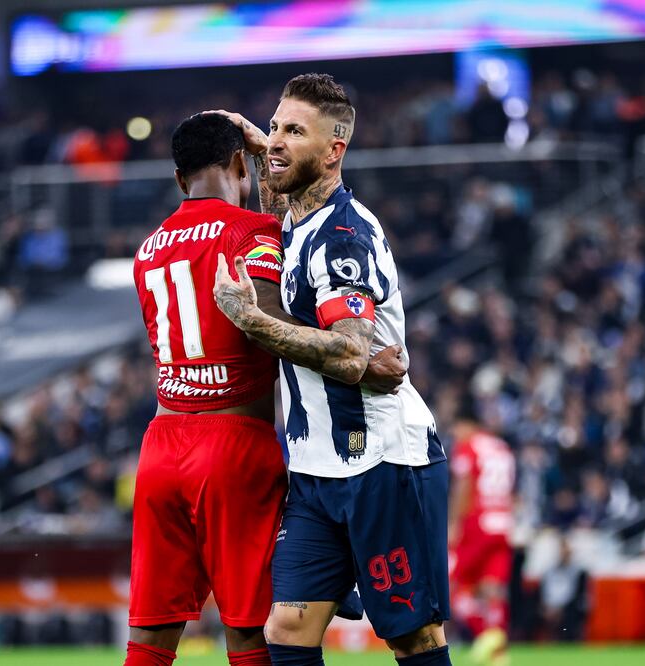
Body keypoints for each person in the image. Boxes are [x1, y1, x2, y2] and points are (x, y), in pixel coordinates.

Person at [126, 112, 403, 666]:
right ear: (239, 164)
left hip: (159, 448)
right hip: (232, 445)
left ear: (179, 179)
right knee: (252, 632)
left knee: (150, 638)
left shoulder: (147, 249)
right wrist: (358, 362)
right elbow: (271, 319)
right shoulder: (253, 233)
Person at [213, 73, 452, 665]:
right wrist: (263, 146)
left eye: (295, 131)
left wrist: (251, 321)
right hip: (315, 470)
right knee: (287, 631)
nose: (277, 138)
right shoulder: (298, 223)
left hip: (381, 462)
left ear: (333, 150)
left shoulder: (343, 237)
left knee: (413, 636)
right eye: (275, 126)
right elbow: (279, 199)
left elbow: (349, 354)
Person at [448, 402, 516, 659]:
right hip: (502, 522)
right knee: (493, 588)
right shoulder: (502, 447)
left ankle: (485, 633)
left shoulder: (468, 447)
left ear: (467, 425)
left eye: (456, 428)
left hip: (476, 523)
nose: (455, 434)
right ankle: (499, 654)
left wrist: (454, 523)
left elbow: (464, 486)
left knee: (451, 584)